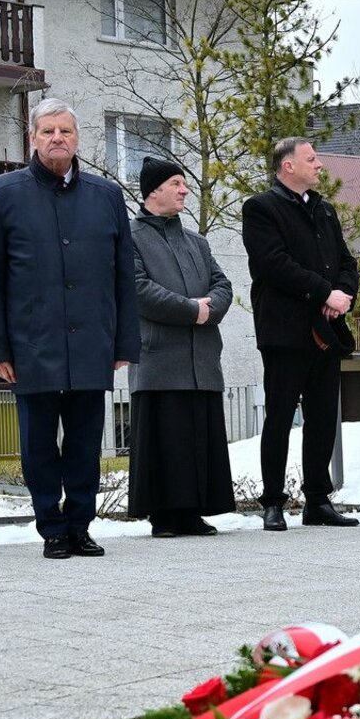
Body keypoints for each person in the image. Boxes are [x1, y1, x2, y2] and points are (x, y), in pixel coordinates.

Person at [0, 97, 139, 559]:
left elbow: (123, 276)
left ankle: (81, 525)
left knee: (86, 445)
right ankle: (51, 528)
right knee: (38, 445)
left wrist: (123, 341)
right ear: (32, 138)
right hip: (32, 343)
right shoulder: (1, 193)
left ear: (77, 137)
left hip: (91, 342)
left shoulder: (107, 196)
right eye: (47, 131)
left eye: (65, 131)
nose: (56, 139)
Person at [242, 136, 360, 532]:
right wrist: (324, 292)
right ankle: (273, 501)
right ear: (287, 165)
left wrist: (342, 296)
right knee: (279, 416)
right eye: (311, 159)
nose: (319, 165)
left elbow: (345, 261)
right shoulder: (261, 208)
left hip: (325, 329)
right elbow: (272, 263)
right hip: (284, 330)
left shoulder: (324, 209)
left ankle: (318, 499)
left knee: (323, 416)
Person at [127, 157, 235, 537]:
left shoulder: (197, 242)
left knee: (197, 437)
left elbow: (223, 284)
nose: (184, 190)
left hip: (201, 360)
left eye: (184, 183)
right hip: (159, 360)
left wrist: (210, 308)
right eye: (176, 183)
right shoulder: (129, 237)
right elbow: (138, 290)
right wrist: (192, 310)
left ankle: (192, 512)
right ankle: (163, 516)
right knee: (165, 439)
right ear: (153, 191)